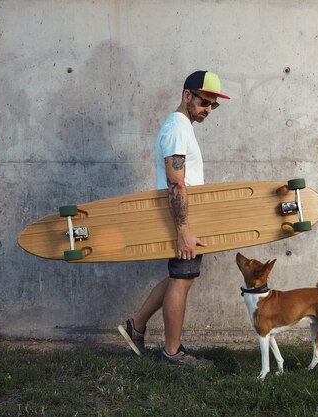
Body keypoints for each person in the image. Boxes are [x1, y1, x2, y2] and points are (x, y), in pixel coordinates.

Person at [118, 71, 230, 365]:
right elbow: (175, 182)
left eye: (213, 106)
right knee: (182, 280)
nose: (208, 110)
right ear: (187, 96)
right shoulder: (177, 128)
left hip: (187, 217)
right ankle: (172, 352)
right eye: (205, 102)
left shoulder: (183, 127)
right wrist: (183, 229)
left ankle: (136, 325)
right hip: (182, 218)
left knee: (181, 277)